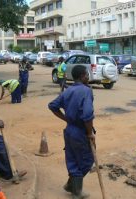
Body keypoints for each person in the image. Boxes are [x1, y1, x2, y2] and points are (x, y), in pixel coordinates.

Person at [48, 65, 95, 199]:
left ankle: (71, 186)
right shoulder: (86, 91)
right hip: (80, 131)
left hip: (69, 130)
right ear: (81, 76)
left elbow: (52, 106)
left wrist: (66, 119)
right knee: (86, 160)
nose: (88, 76)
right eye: (86, 74)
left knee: (73, 159)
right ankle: (76, 192)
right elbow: (87, 115)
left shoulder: (67, 90)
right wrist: (90, 133)